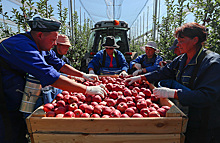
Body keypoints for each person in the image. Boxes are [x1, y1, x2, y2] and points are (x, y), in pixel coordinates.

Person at [0, 16, 106, 143]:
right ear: (40, 35)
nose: (55, 44)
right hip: (4, 88)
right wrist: (87, 89)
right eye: (53, 40)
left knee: (18, 123)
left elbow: (58, 63)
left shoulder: (40, 44)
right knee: (9, 128)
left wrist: (83, 75)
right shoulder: (23, 47)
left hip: (14, 86)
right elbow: (49, 76)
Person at [125, 22, 220, 143]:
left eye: (181, 41)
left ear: (195, 40)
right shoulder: (182, 59)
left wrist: (173, 93)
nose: (178, 44)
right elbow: (163, 72)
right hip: (185, 116)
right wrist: (141, 78)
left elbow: (207, 96)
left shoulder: (212, 63)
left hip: (205, 123)